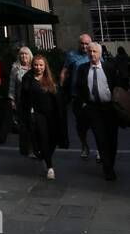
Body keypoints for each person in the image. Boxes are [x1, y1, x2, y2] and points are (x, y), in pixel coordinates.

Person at [76, 42, 122, 182]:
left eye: (94, 51)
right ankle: (108, 169)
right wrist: (84, 104)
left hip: (109, 108)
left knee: (112, 139)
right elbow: (79, 88)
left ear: (100, 53)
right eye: (89, 51)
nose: (91, 54)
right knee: (100, 138)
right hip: (93, 109)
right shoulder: (83, 68)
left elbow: (118, 84)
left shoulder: (109, 67)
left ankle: (110, 164)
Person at [18, 54, 68, 179]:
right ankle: (50, 167)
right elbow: (24, 98)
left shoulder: (51, 78)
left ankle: (45, 157)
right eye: (36, 65)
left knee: (53, 139)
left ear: (45, 66)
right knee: (43, 137)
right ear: (32, 65)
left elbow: (58, 96)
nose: (38, 67)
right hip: (38, 114)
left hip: (52, 114)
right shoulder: (28, 78)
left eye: (41, 65)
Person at [60, 34, 93, 159]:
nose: (84, 46)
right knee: (81, 125)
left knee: (97, 124)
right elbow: (64, 71)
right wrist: (61, 88)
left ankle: (101, 149)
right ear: (78, 44)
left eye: (86, 43)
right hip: (77, 97)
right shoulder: (72, 55)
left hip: (92, 97)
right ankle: (84, 145)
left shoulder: (95, 53)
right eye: (82, 43)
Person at [8, 46, 35, 156]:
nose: (24, 56)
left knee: (34, 125)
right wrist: (12, 100)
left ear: (30, 56)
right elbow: (11, 85)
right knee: (24, 126)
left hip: (34, 102)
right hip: (21, 102)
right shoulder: (15, 68)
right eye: (22, 54)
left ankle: (35, 148)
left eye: (26, 54)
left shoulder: (35, 67)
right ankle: (26, 149)